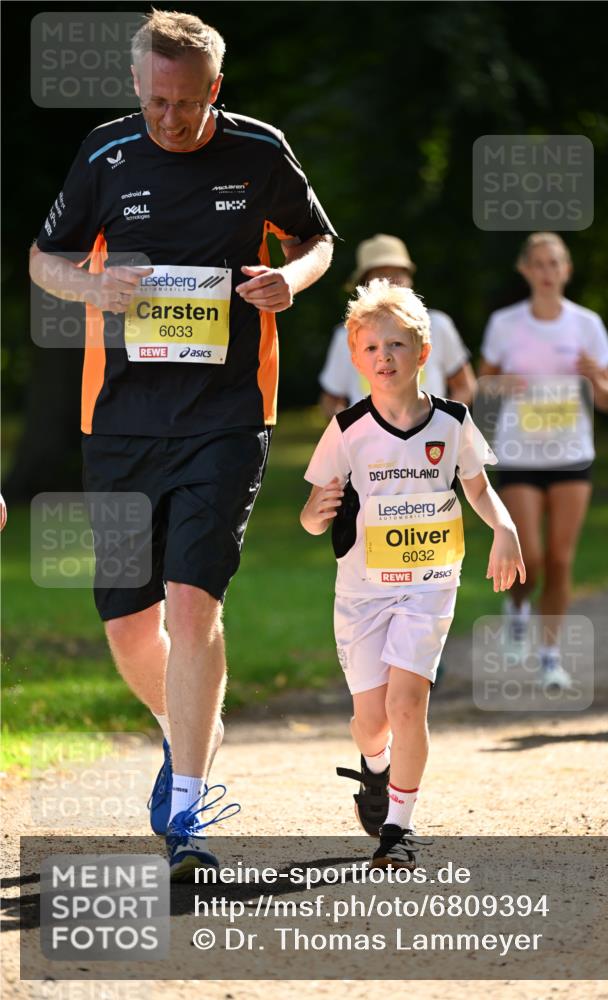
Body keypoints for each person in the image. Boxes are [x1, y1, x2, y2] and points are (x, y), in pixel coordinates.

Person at [29, 9, 335, 880]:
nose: (171, 119)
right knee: (129, 625)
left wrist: (290, 279)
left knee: (194, 601)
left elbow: (316, 239)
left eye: (189, 103)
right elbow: (44, 258)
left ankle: (190, 809)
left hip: (226, 413)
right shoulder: (105, 154)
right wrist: (92, 286)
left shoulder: (259, 150)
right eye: (157, 101)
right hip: (121, 419)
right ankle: (187, 727)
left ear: (215, 89)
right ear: (137, 86)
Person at [300, 280, 525, 868]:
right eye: (372, 348)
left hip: (429, 584)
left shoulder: (452, 421)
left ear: (423, 353)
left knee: (408, 705)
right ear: (357, 358)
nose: (385, 357)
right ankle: (375, 767)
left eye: (397, 345)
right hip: (362, 593)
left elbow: (478, 487)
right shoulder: (347, 429)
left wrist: (504, 529)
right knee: (371, 722)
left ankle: (398, 828)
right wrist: (315, 513)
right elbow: (312, 515)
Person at [478, 232, 608, 691]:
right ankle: (518, 607)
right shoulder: (504, 324)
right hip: (519, 453)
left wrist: (595, 378)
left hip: (571, 454)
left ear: (567, 270)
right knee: (530, 558)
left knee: (560, 559)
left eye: (554, 263)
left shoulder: (586, 324)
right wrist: (501, 385)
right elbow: (481, 389)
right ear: (524, 270)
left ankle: (550, 656)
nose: (546, 271)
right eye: (537, 263)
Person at [318, 234, 476, 418]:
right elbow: (331, 400)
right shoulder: (347, 334)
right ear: (364, 284)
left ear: (409, 279)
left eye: (397, 273)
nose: (390, 282)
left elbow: (465, 386)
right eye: (380, 274)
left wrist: (441, 423)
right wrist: (353, 430)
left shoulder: (438, 325)